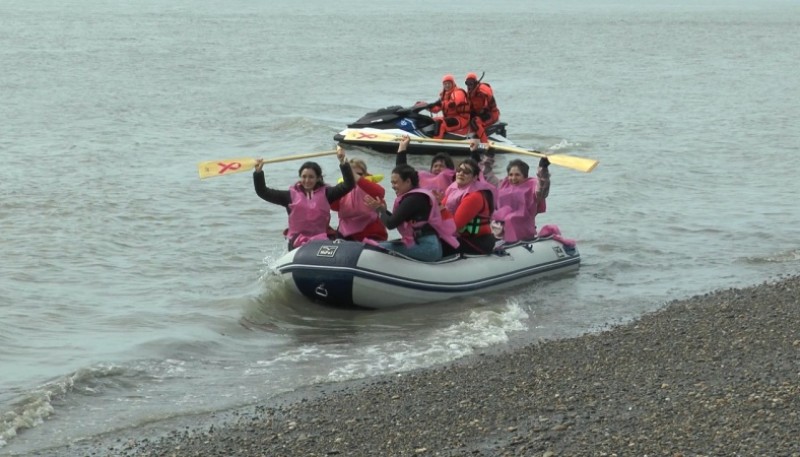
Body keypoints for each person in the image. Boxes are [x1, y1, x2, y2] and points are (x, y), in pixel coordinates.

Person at [253, 146, 355, 250]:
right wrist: (258, 173)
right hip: (297, 242)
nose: (307, 180)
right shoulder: (289, 196)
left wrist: (343, 162)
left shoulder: (327, 193)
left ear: (318, 178)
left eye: (311, 177)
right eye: (304, 176)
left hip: (321, 240)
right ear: (300, 177)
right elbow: (263, 192)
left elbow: (349, 184)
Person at [364, 164, 459, 262]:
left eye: (395, 183)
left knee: (373, 248)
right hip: (427, 245)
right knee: (377, 246)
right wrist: (382, 210)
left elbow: (390, 224)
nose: (393, 186)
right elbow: (396, 220)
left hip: (426, 247)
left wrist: (378, 210)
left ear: (408, 181)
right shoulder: (416, 196)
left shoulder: (414, 199)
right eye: (392, 183)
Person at [441, 158, 498, 255]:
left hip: (476, 241)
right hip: (461, 237)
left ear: (475, 177)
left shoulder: (474, 196)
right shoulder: (453, 189)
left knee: (438, 243)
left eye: (466, 172)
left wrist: (439, 207)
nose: (461, 173)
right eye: (459, 170)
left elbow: (454, 226)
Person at [490, 157, 551, 244]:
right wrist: (488, 154)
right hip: (501, 231)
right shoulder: (503, 184)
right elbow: (486, 176)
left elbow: (542, 189)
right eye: (511, 175)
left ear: (525, 176)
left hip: (524, 233)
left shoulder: (533, 186)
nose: (513, 178)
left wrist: (543, 169)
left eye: (517, 175)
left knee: (511, 218)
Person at [331, 158, 388, 242]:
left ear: (365, 175)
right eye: (350, 174)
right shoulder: (342, 189)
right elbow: (333, 205)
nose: (353, 177)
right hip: (346, 232)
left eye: (358, 174)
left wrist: (358, 179)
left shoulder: (371, 188)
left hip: (370, 232)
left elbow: (380, 193)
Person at [427, 74, 470, 139]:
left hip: (461, 119)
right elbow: (437, 109)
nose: (447, 85)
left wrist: (441, 104)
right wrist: (427, 107)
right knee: (430, 120)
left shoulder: (458, 92)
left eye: (449, 83)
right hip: (449, 117)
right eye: (445, 84)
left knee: (440, 123)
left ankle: (436, 142)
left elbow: (453, 104)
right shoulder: (444, 95)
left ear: (453, 83)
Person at [464, 72, 500, 143]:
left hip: (491, 114)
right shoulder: (469, 94)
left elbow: (489, 94)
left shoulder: (482, 91)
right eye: (467, 83)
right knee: (466, 118)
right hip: (480, 114)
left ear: (475, 83)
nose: (469, 86)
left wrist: (482, 92)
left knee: (475, 122)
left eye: (471, 83)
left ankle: (485, 143)